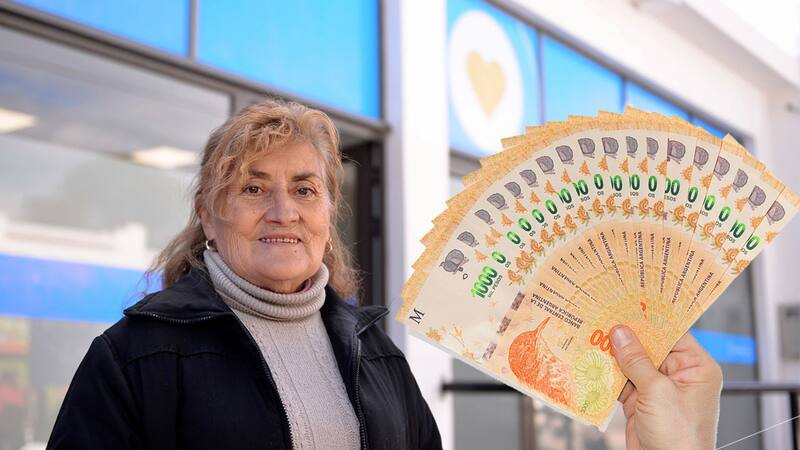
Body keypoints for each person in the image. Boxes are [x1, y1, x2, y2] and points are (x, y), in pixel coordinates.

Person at [46, 98, 721, 450]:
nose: (283, 211)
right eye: (253, 188)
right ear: (208, 213)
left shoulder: (373, 350)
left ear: (328, 212)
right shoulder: (133, 357)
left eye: (305, 189)